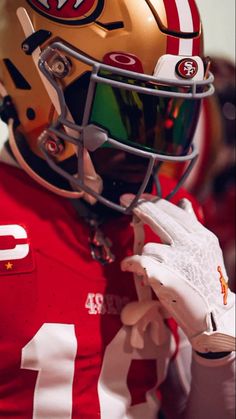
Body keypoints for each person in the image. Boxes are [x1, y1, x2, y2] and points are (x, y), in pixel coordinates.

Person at [0, 1, 235, 418]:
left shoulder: (172, 218)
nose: (148, 152)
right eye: (124, 110)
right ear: (38, 86)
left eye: (171, 115)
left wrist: (218, 350)